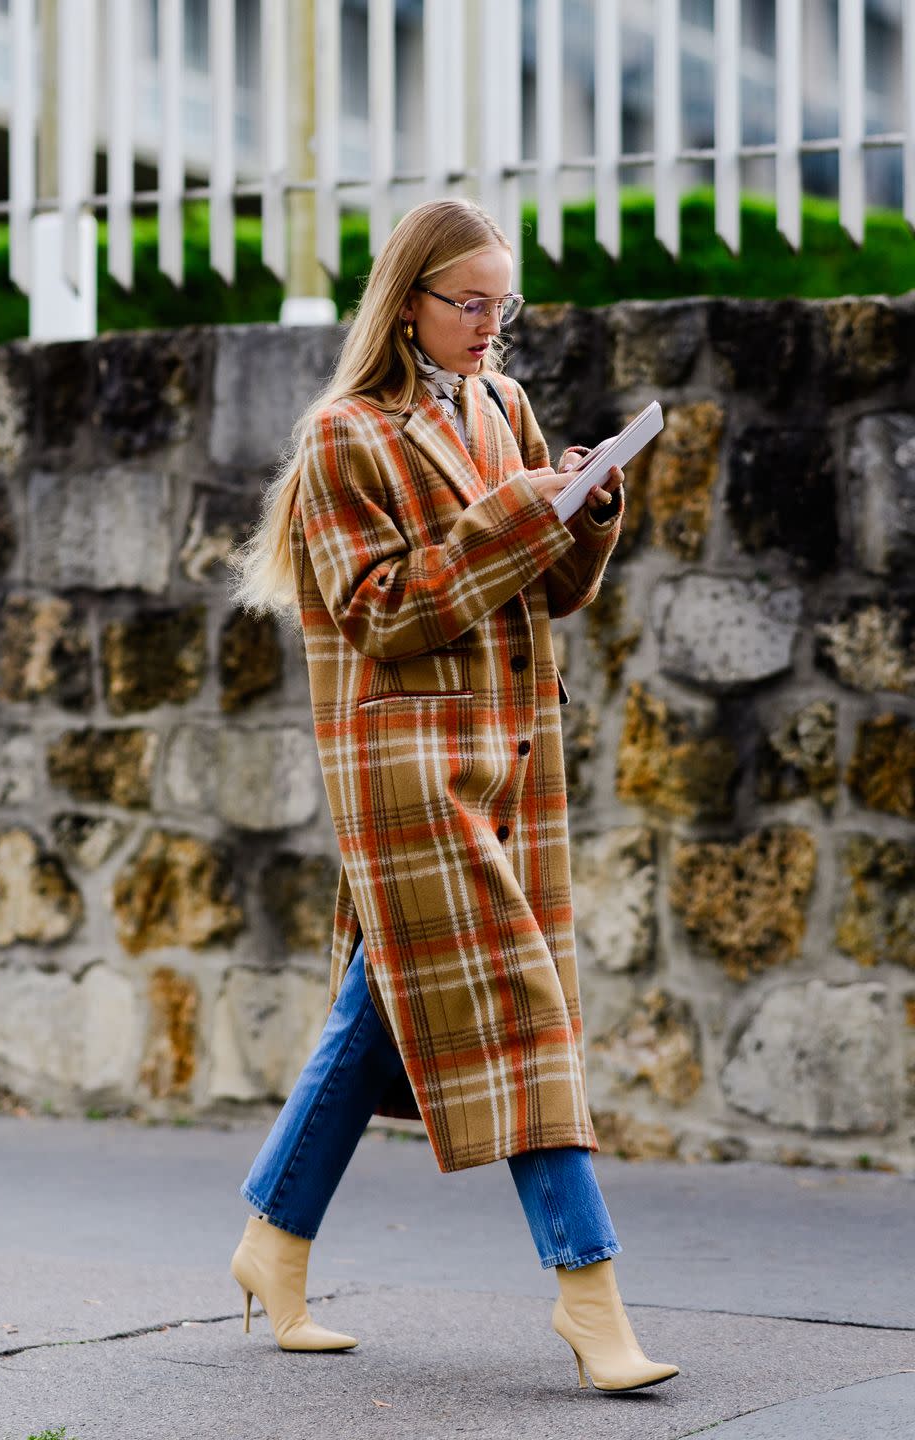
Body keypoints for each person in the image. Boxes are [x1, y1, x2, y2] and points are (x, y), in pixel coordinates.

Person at [228, 196, 679, 1394]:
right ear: (408, 302)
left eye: (503, 303)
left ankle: (269, 1246)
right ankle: (592, 1305)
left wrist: (583, 507)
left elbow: (545, 592)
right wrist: (524, 511)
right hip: (407, 772)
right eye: (468, 303)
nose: (491, 326)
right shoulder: (341, 437)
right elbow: (384, 612)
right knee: (523, 1004)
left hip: (513, 760)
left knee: (377, 1014)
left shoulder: (504, 406)